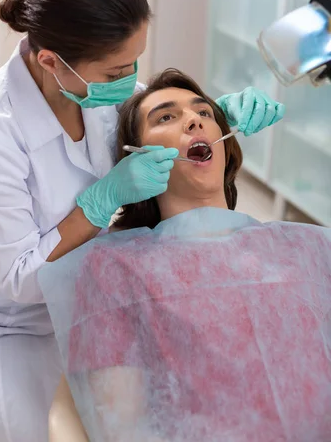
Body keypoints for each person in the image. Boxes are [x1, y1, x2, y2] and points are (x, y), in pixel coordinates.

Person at [0, 0, 284, 442]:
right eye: (118, 68)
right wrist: (101, 200)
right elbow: (21, 280)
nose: (132, 77)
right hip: (0, 326)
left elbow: (151, 111)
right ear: (50, 61)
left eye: (135, 60)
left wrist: (212, 114)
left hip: (93, 307)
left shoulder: (95, 86)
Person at [39, 69, 331, 442]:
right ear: (136, 158)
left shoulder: (305, 248)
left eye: (204, 113)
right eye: (165, 117)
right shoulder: (116, 269)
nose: (194, 119)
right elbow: (121, 424)